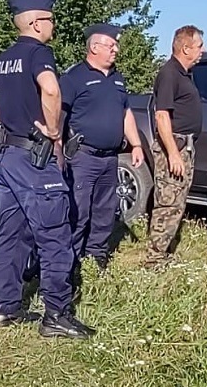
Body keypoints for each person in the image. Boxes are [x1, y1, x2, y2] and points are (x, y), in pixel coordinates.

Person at [0, 0, 95, 339]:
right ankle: (57, 313)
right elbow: (52, 90)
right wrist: (54, 129)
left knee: (12, 232)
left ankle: (6, 307)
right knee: (55, 234)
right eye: (51, 19)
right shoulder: (39, 54)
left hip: (7, 156)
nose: (53, 24)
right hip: (34, 157)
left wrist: (0, 121)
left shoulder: (6, 57)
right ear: (38, 21)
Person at [60, 22, 144, 272]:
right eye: (111, 45)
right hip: (83, 157)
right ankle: (71, 260)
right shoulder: (74, 77)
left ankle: (97, 254)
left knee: (105, 210)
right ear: (94, 47)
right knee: (79, 210)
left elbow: (126, 112)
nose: (115, 49)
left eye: (116, 45)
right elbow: (60, 114)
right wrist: (58, 149)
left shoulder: (117, 78)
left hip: (110, 158)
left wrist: (137, 144)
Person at [143, 25, 205, 268]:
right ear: (185, 48)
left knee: (177, 204)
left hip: (185, 147)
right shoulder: (169, 74)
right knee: (167, 204)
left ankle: (164, 253)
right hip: (174, 148)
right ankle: (154, 260)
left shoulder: (184, 74)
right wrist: (173, 154)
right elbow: (162, 117)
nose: (203, 50)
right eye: (199, 46)